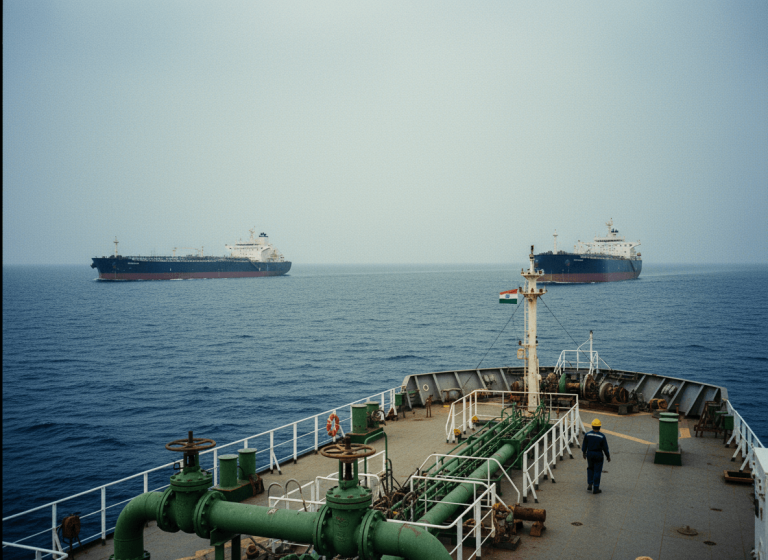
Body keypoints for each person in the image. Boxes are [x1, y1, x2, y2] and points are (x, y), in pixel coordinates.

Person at [582, 418, 611, 494]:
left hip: (590, 453)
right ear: (600, 427)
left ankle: (590, 483)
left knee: (590, 468)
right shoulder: (602, 436)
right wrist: (608, 456)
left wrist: (584, 453)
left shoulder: (587, 434)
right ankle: (596, 488)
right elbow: (605, 448)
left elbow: (584, 445)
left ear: (592, 426)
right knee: (597, 470)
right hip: (598, 454)